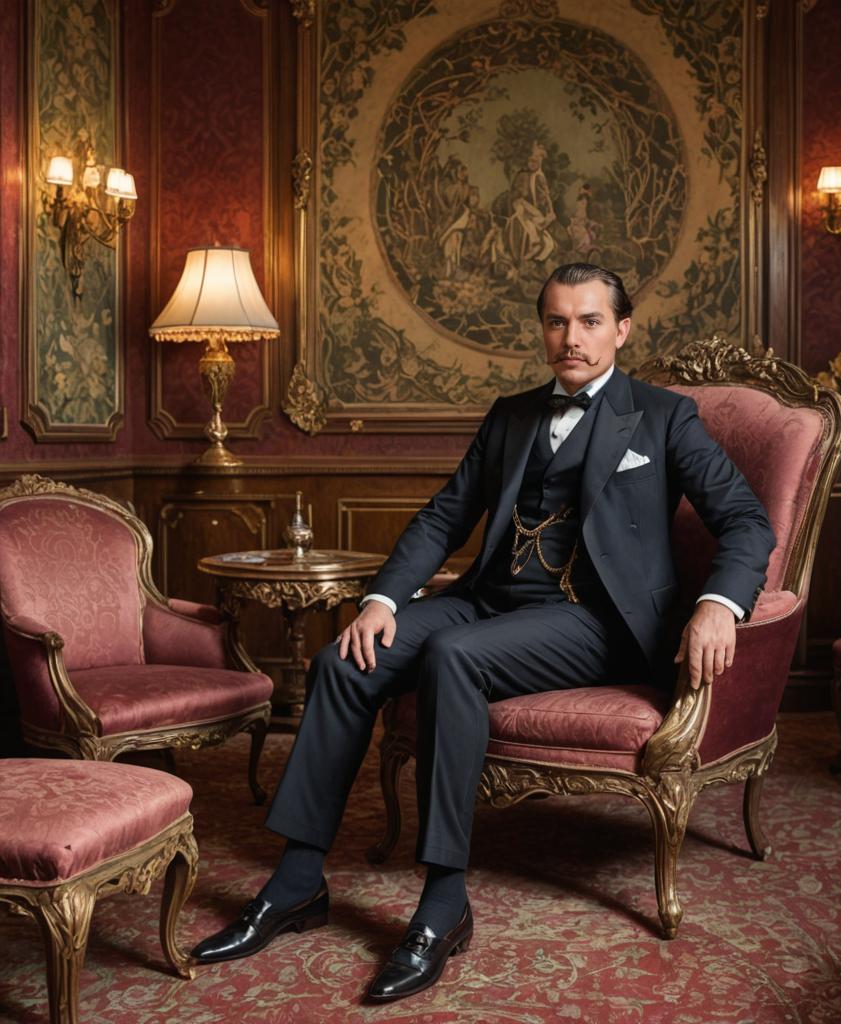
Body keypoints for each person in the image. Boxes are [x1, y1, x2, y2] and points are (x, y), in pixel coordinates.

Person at [190, 263, 776, 1003]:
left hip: (594, 620)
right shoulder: (512, 415)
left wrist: (720, 603)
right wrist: (382, 600)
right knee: (344, 659)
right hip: (490, 599)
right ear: (542, 330)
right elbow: (444, 515)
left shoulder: (663, 417)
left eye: (591, 321)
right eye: (558, 321)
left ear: (622, 330)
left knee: (451, 658)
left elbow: (747, 522)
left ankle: (442, 901)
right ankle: (298, 881)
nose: (572, 337)